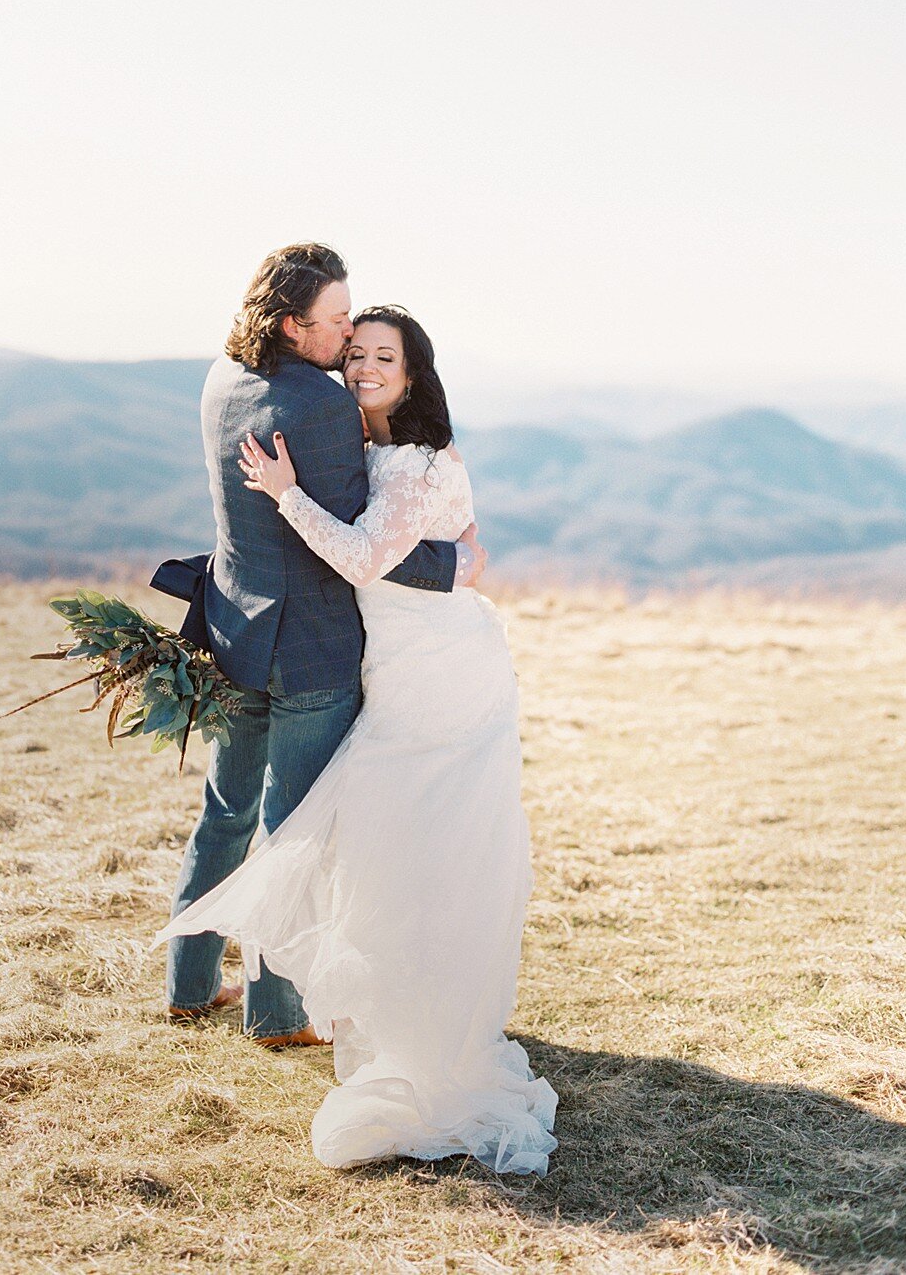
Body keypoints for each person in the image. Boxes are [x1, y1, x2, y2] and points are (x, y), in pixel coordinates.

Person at [157, 303, 558, 1175]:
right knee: (379, 840)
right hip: (398, 667)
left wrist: (284, 493)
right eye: (358, 350)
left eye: (386, 356)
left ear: (414, 376)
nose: (366, 365)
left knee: (403, 838)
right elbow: (408, 552)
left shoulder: (414, 458)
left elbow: (363, 558)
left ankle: (415, 1017)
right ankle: (372, 999)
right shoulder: (362, 443)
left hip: (441, 678)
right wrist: (448, 561)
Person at [166, 245, 486, 1047]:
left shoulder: (220, 379)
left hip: (235, 631)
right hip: (309, 649)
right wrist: (454, 560)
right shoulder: (323, 405)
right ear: (290, 324)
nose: (349, 335)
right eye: (338, 320)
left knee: (227, 812)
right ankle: (274, 1013)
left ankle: (189, 983)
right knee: (292, 831)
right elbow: (354, 541)